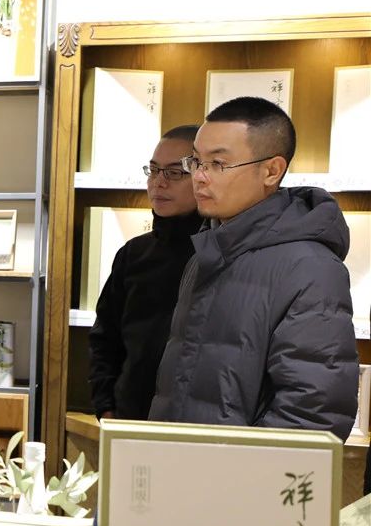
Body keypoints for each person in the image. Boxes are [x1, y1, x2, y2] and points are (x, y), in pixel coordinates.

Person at [149, 97, 357, 439]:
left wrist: (234, 468)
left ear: (271, 171)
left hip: (237, 470)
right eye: (196, 161)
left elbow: (313, 412)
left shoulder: (311, 268)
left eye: (218, 164)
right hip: (181, 461)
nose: (199, 177)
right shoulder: (208, 250)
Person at [88, 125, 203, 420]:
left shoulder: (220, 255)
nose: (158, 183)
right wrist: (105, 406)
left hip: (197, 424)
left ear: (204, 175)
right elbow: (105, 338)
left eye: (174, 173)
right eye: (153, 170)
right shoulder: (133, 253)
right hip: (129, 417)